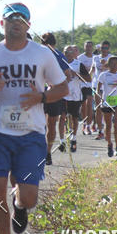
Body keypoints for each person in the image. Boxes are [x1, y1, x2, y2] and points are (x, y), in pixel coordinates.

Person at [0, 3, 68, 234]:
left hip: (31, 134)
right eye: (11, 18)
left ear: (28, 25)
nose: (16, 22)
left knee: (29, 197)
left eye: (22, 19)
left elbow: (63, 88)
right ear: (2, 24)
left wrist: (42, 96)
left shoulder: (42, 54)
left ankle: (20, 206)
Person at [40, 32, 69, 164]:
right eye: (45, 45)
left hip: (52, 95)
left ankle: (47, 153)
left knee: (49, 124)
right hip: (39, 93)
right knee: (43, 124)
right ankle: (43, 151)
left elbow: (67, 76)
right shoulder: (37, 54)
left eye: (48, 45)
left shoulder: (59, 56)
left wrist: (55, 86)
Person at [96, 55, 117, 157]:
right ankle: (109, 144)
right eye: (112, 63)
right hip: (107, 101)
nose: (114, 65)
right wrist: (99, 99)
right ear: (108, 65)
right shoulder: (103, 75)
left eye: (116, 63)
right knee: (108, 126)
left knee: (116, 122)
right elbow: (98, 89)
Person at [64, 46, 90, 152]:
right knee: (63, 116)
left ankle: (73, 138)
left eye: (70, 51)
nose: (68, 53)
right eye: (66, 52)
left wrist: (77, 74)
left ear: (74, 53)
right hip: (63, 94)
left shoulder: (78, 64)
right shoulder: (59, 63)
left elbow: (88, 79)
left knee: (74, 117)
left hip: (75, 95)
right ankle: (65, 137)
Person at [77, 41, 95, 135]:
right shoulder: (80, 58)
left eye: (90, 46)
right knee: (84, 105)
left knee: (89, 104)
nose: (88, 48)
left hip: (92, 84)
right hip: (82, 84)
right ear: (84, 47)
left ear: (92, 47)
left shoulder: (95, 58)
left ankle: (89, 125)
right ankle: (84, 124)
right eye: (86, 46)